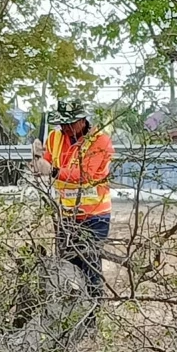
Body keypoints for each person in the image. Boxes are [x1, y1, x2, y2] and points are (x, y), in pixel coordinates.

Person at [31, 98, 115, 301]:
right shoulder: (55, 137)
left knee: (90, 266)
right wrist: (36, 159)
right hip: (66, 215)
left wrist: (51, 170)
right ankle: (70, 315)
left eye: (69, 123)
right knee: (67, 266)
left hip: (94, 216)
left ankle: (92, 317)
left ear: (82, 120)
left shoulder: (99, 140)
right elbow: (43, 166)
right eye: (61, 123)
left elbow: (85, 174)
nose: (65, 127)